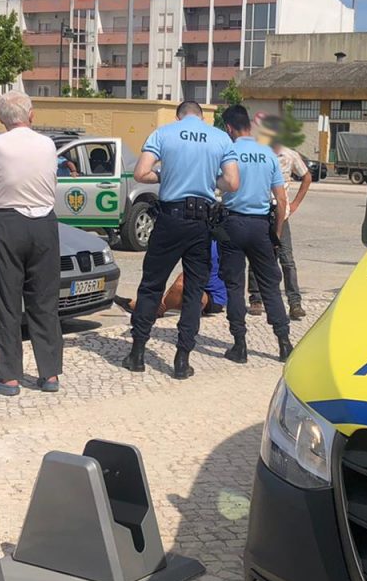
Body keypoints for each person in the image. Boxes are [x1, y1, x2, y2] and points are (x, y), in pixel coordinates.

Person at [124, 101, 239, 378]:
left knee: (152, 285)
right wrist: (210, 180)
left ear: (179, 117)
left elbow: (140, 173)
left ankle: (137, 354)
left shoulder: (163, 133)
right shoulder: (220, 138)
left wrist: (164, 174)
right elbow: (233, 183)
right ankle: (182, 359)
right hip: (201, 223)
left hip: (169, 219)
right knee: (193, 291)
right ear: (201, 117)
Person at [0, 90, 64, 396]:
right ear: (31, 115)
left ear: (1, 118)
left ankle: (8, 377)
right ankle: (49, 374)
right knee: (44, 301)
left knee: (8, 303)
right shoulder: (47, 144)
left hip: (6, 222)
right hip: (44, 223)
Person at [217, 105, 293, 364]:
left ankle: (239, 345)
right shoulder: (268, 154)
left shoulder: (228, 152)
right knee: (270, 286)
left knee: (235, 286)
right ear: (249, 125)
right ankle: (284, 343)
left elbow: (218, 184)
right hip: (261, 226)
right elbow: (281, 200)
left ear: (229, 128)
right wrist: (276, 234)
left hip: (232, 224)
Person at [249, 119, 312, 319]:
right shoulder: (258, 153)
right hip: (260, 211)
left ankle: (294, 302)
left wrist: (295, 204)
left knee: (287, 259)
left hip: (281, 214)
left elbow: (306, 177)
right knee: (257, 255)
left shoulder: (289, 155)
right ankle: (256, 298)